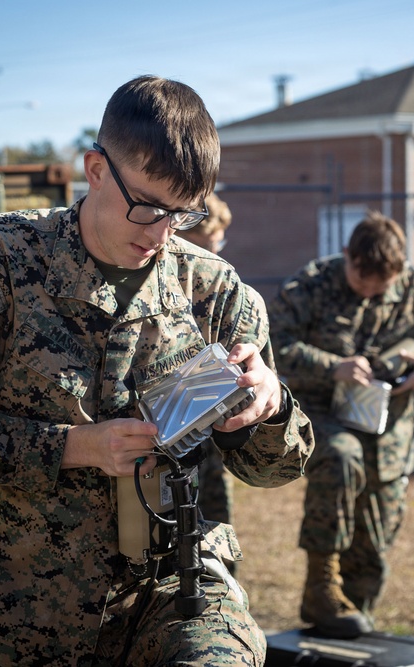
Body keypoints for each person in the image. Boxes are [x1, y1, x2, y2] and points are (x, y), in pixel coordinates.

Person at [0, 76, 315, 667]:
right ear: (95, 170)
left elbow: (277, 469)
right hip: (27, 612)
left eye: (182, 214)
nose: (161, 233)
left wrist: (266, 409)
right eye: (145, 206)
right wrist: (76, 447)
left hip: (175, 592)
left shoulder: (215, 290)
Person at [268, 211, 414, 638]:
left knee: (376, 537)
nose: (370, 292)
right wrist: (333, 367)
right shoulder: (312, 284)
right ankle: (321, 588)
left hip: (389, 430)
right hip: (324, 417)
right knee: (343, 460)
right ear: (347, 255)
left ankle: (352, 618)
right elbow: (274, 345)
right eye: (362, 282)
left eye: (380, 287)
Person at [175, 192, 239, 532]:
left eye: (218, 244)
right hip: (173, 423)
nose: (213, 256)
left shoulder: (220, 288)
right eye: (206, 245)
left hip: (212, 420)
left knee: (216, 516)